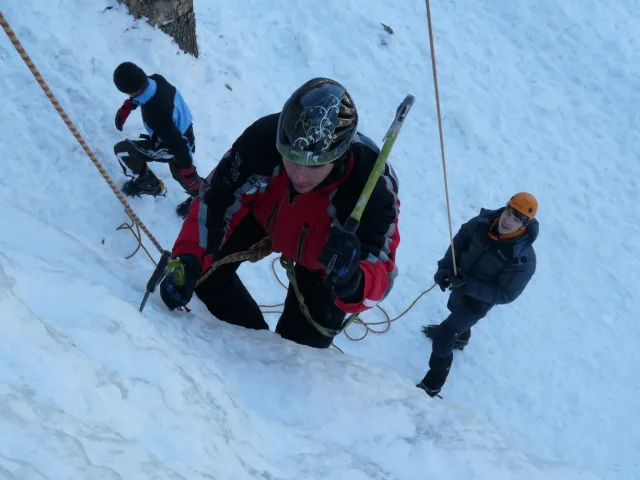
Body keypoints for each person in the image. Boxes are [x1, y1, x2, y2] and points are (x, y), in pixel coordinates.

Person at [158, 77, 401, 349]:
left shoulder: (372, 184)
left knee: (301, 348)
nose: (299, 175)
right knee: (204, 278)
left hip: (326, 259)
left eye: (315, 165)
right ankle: (250, 343)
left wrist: (353, 281)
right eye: (292, 158)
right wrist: (188, 258)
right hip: (264, 215)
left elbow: (382, 267)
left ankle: (272, 353)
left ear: (339, 156)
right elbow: (215, 201)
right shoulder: (261, 141)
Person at [417, 193, 539, 397]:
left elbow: (506, 294)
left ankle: (432, 384)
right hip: (459, 283)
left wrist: (467, 284)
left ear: (524, 225)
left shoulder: (522, 259)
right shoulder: (484, 222)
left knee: (443, 339)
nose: (507, 220)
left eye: (516, 219)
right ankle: (461, 338)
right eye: (508, 212)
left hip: (478, 302)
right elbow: (461, 239)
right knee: (453, 307)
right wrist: (446, 268)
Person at [111, 61, 204, 218]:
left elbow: (179, 145)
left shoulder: (155, 114)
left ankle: (149, 185)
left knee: (123, 151)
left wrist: (188, 169)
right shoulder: (156, 79)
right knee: (180, 174)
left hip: (174, 145)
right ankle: (203, 197)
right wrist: (130, 105)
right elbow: (143, 91)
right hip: (183, 131)